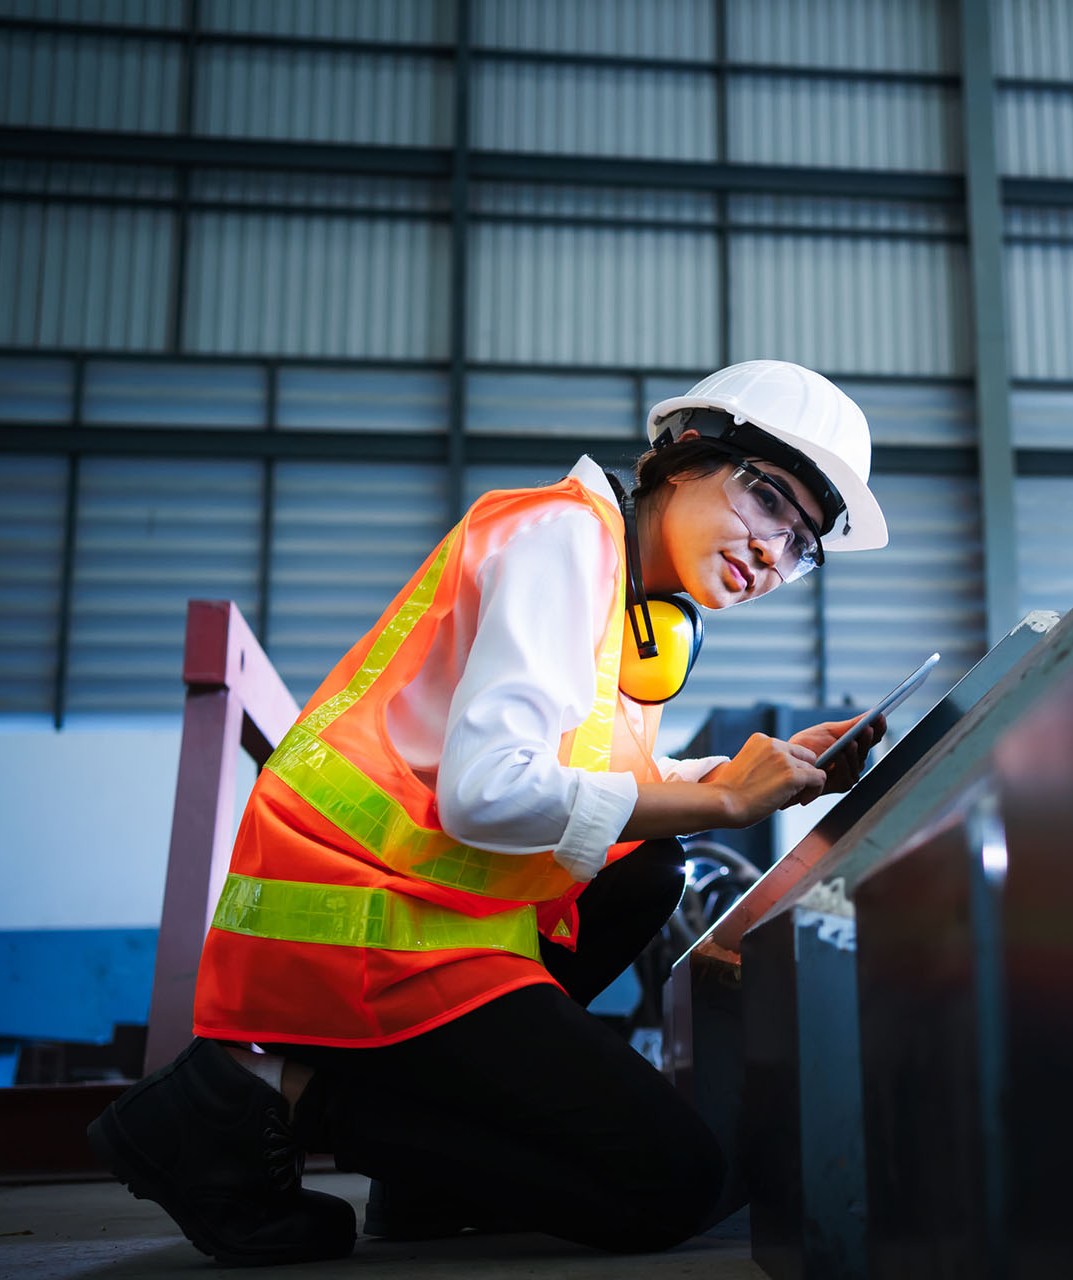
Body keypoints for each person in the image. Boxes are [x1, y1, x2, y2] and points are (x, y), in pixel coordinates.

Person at [88, 360, 890, 1265]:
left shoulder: (631, 603)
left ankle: (426, 1178)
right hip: (366, 927)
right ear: (683, 457)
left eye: (803, 546)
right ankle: (257, 1095)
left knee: (651, 865)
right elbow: (487, 792)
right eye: (768, 500)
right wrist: (722, 797)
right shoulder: (565, 539)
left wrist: (752, 773)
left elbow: (591, 773)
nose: (774, 553)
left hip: (434, 918)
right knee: (677, 1189)